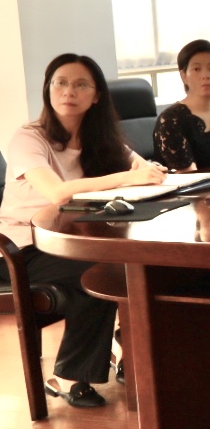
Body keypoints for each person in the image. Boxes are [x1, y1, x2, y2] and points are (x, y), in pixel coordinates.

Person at [0, 54, 165, 407]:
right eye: (60, 82)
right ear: (48, 89)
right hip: (22, 249)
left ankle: (126, 348)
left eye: (80, 84)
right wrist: (126, 178)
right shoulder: (29, 138)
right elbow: (58, 193)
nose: (68, 91)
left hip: (75, 243)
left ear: (96, 95)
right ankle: (71, 375)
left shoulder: (99, 138)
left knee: (138, 262)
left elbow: (144, 170)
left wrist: (153, 174)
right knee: (102, 271)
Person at [152, 39, 210, 172]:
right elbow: (187, 174)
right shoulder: (170, 120)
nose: (205, 76)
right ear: (184, 76)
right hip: (188, 185)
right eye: (196, 69)